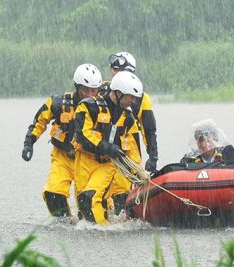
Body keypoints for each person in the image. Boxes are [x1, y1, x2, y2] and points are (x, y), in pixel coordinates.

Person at [21, 63, 102, 218]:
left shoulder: (103, 108)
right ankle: (64, 225)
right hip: (63, 157)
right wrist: (28, 143)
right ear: (77, 87)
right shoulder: (58, 103)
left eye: (94, 90)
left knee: (88, 202)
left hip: (88, 161)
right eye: (86, 90)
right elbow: (39, 122)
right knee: (53, 193)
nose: (90, 94)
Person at [74, 71, 143, 224]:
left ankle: (102, 231)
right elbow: (82, 135)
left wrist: (138, 173)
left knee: (89, 199)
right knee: (84, 209)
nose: (132, 101)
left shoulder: (128, 119)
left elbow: (133, 152)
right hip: (84, 163)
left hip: (107, 165)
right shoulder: (88, 107)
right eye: (130, 96)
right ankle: (103, 229)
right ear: (118, 93)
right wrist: (106, 146)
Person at [104, 52, 158, 173]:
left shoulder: (142, 99)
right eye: (114, 69)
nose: (116, 73)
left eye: (121, 70)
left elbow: (149, 131)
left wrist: (153, 157)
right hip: (100, 155)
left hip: (126, 150)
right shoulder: (99, 90)